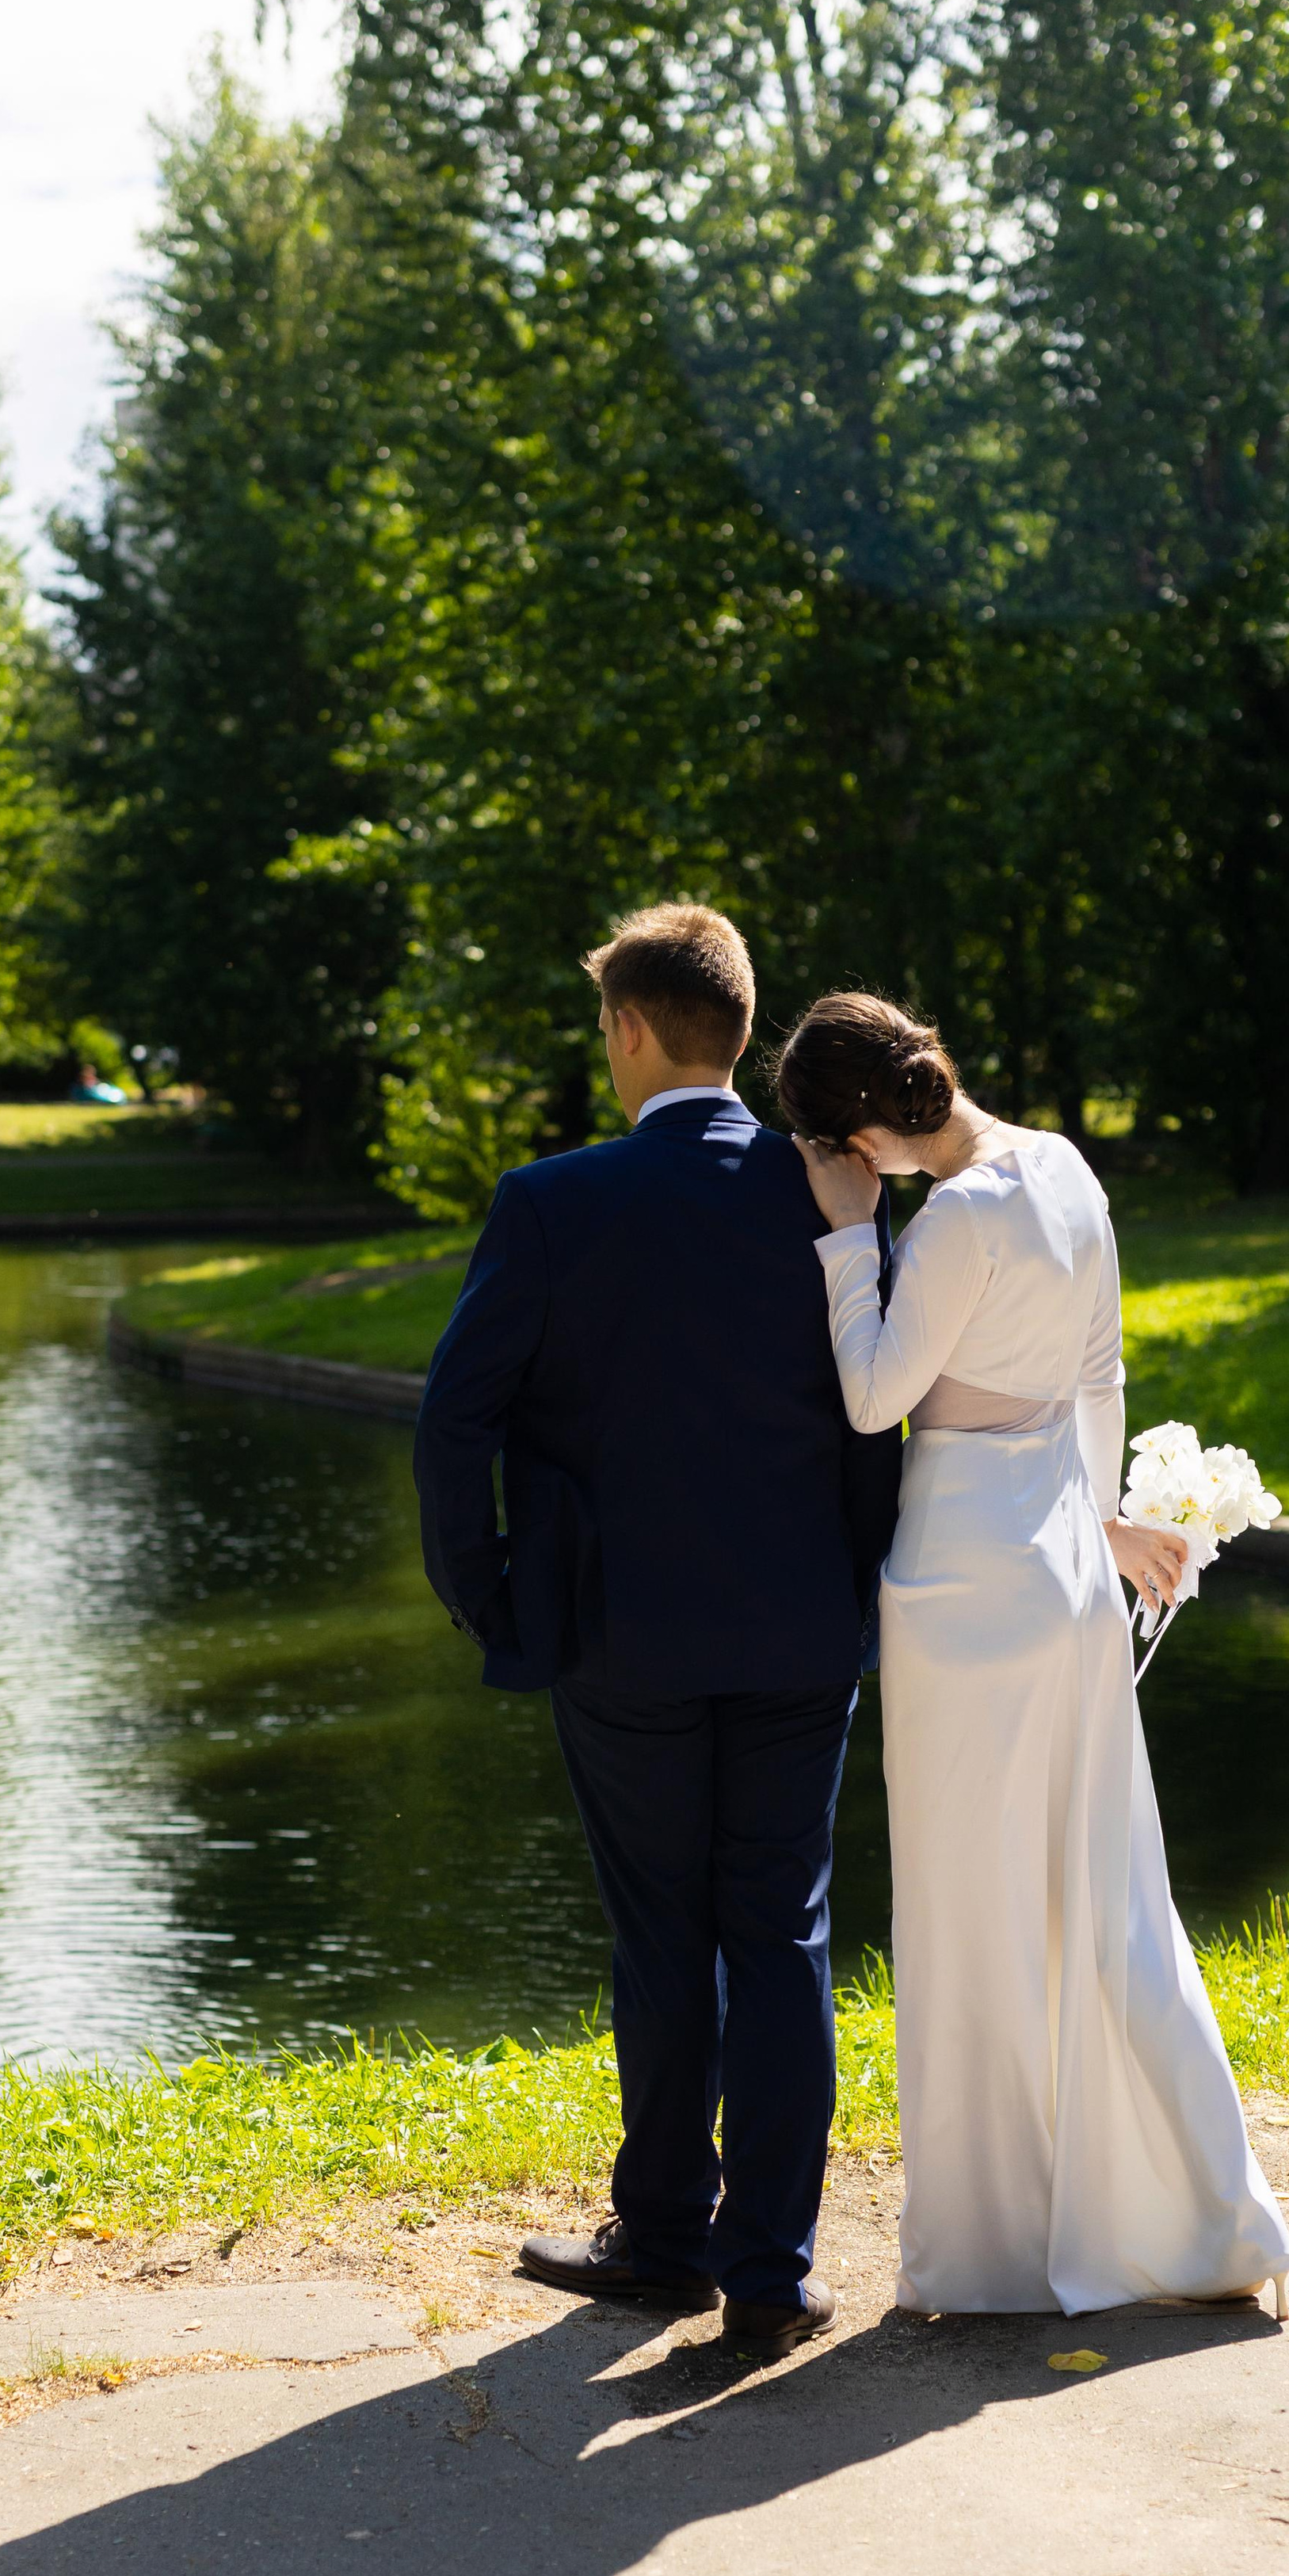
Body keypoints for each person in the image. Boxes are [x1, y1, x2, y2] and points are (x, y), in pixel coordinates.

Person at [413, 906, 902, 2350]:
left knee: (662, 1936)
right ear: (741, 1031)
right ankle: (772, 2270)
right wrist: (855, 1579)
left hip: (618, 1637)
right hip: (804, 1631)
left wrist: (488, 1592)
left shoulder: (555, 1202)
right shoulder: (834, 1194)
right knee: (782, 1931)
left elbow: (454, 1421)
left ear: (632, 1029)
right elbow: (881, 1412)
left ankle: (664, 2236)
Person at [778, 992, 1289, 2320]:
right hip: (1062, 1567)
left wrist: (849, 1242)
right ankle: (1208, 2218)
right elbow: (1098, 1375)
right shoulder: (1064, 1166)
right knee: (1106, 1892)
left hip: (964, 1580)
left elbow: (877, 1396)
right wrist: (1105, 1518)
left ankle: (992, 2254)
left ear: (857, 1131)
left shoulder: (948, 1217)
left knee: (972, 1910)